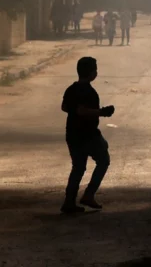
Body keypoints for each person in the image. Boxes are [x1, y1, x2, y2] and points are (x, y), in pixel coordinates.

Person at [61, 57, 115, 213]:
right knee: (103, 160)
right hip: (87, 134)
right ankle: (89, 194)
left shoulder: (71, 89)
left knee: (78, 168)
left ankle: (69, 202)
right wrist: (101, 112)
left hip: (72, 133)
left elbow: (65, 107)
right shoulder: (89, 92)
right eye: (95, 69)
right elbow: (81, 110)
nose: (96, 72)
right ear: (91, 72)